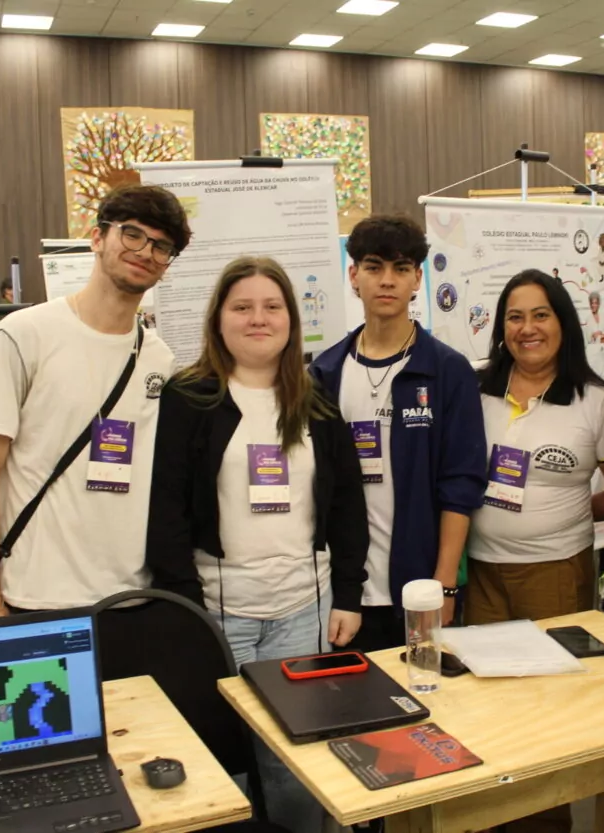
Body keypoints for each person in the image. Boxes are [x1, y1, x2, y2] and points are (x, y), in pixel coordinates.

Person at [146, 256, 368, 833]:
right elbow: (166, 511)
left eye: (272, 306)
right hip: (220, 615)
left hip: (305, 610)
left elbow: (346, 505)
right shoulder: (189, 398)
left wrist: (348, 594)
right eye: (242, 307)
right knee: (226, 764)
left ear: (291, 319)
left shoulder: (315, 398)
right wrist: (188, 612)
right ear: (218, 319)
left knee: (295, 761)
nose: (258, 319)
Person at [0, 184, 190, 621]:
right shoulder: (24, 334)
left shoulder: (159, 358)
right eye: (133, 234)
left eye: (162, 246)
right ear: (98, 237)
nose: (146, 252)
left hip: (133, 597)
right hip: (37, 595)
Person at [310, 214, 486, 651]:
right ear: (354, 276)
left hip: (420, 588)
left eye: (401, 268)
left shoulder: (447, 371)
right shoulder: (325, 373)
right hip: (342, 593)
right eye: (374, 267)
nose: (387, 280)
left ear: (416, 279)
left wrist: (444, 584)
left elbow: (461, 485)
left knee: (425, 691)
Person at [467, 269, 604, 626]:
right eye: (515, 317)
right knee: (482, 662)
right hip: (480, 571)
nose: (527, 328)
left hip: (556, 567)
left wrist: (574, 511)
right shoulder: (475, 388)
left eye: (540, 315)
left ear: (563, 323)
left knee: (556, 662)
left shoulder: (596, 400)